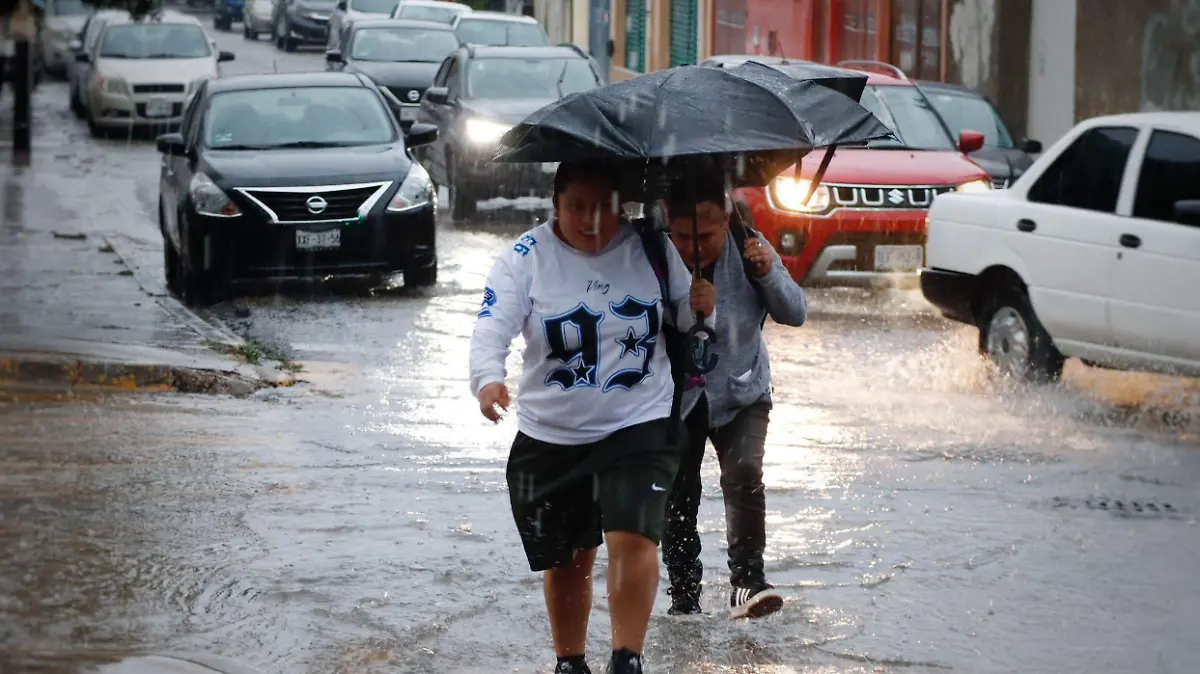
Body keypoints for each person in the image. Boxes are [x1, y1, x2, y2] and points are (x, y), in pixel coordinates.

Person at [468, 161, 715, 674]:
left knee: (633, 535)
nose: (589, 218)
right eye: (576, 206)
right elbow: (491, 327)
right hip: (552, 434)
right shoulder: (524, 258)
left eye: (601, 206)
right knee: (569, 557)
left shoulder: (649, 247)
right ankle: (570, 662)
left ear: (619, 205)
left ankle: (627, 658)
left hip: (640, 420)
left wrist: (700, 307)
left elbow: (685, 320)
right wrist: (488, 380)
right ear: (555, 205)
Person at [659, 174, 808, 620]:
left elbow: (795, 312)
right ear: (668, 222)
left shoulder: (750, 247)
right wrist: (685, 305)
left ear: (725, 221)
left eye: (704, 236)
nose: (693, 247)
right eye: (682, 236)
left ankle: (748, 582)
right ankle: (684, 597)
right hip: (675, 395)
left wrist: (766, 273)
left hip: (742, 389)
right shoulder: (654, 256)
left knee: (744, 474)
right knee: (677, 495)